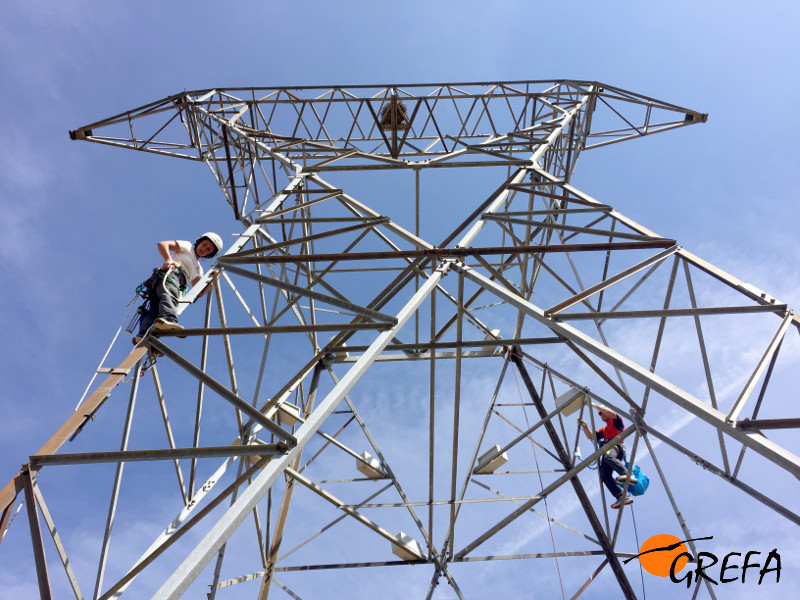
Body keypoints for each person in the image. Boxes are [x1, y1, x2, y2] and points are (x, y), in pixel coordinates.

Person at [133, 233, 223, 345]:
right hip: (171, 275)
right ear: (199, 242)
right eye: (204, 244)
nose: (204, 249)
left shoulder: (198, 269)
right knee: (169, 297)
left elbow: (200, 292)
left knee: (156, 310)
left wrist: (214, 280)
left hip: (177, 284)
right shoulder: (187, 247)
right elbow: (163, 244)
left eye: (208, 249)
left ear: (209, 254)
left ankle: (144, 337)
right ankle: (169, 319)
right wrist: (168, 259)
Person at [579, 404, 635, 509]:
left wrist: (595, 405)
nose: (601, 415)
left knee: (608, 457)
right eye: (599, 414)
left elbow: (612, 413)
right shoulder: (604, 429)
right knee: (604, 475)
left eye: (602, 412)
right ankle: (621, 496)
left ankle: (627, 475)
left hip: (615, 447)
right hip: (608, 449)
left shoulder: (615, 420)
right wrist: (584, 426)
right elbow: (591, 437)